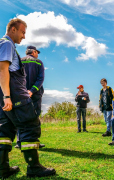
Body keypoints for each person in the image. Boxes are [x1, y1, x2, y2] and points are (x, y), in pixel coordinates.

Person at [0, 18, 55, 178]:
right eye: (23, 32)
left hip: (4, 95)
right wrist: (8, 96)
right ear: (13, 30)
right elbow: (3, 70)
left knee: (5, 129)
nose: (24, 36)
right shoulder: (7, 44)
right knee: (30, 124)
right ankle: (34, 167)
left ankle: (2, 169)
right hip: (14, 94)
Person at [15, 46, 45, 149]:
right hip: (35, 94)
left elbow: (15, 77)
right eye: (37, 52)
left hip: (20, 94)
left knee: (20, 117)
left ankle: (19, 142)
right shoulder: (38, 62)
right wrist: (32, 91)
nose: (37, 55)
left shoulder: (19, 61)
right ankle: (34, 141)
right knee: (34, 116)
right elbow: (40, 79)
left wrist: (21, 91)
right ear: (34, 52)